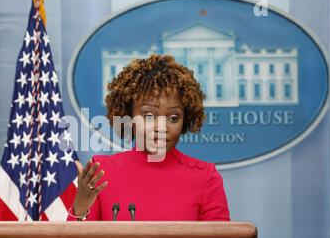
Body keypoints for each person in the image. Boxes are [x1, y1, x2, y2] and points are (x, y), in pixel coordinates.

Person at [67, 54, 230, 221]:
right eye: (149, 116)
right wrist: (81, 204)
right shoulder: (101, 172)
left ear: (185, 119)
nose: (161, 127)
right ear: (128, 116)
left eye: (173, 118)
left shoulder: (205, 177)